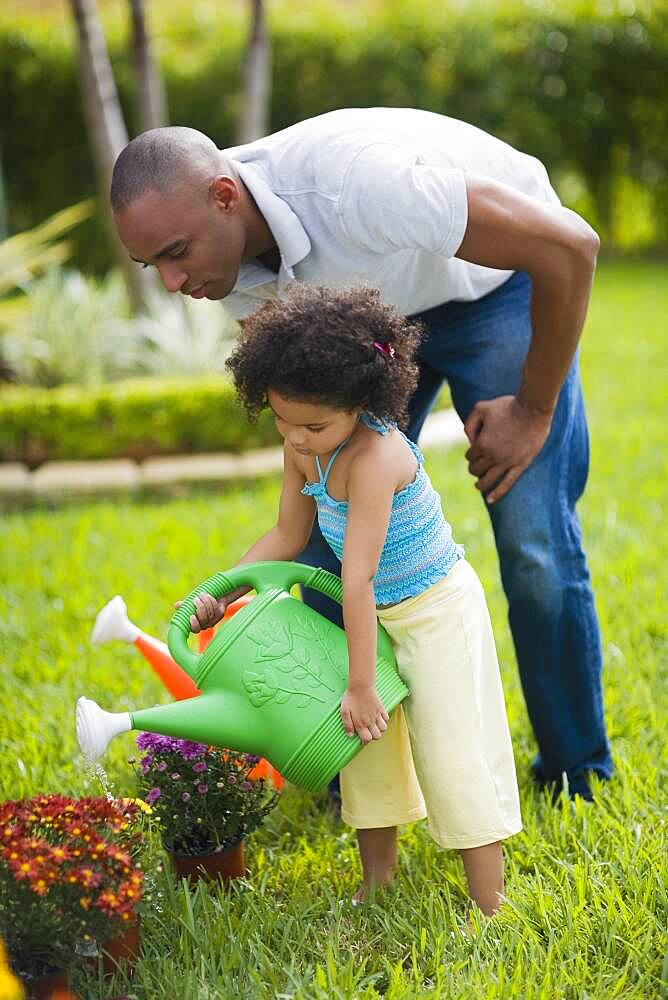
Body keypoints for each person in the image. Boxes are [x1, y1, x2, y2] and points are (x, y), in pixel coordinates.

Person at [110, 107, 611, 800]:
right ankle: (353, 765)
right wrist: (230, 587)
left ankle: (575, 770)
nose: (170, 283)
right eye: (149, 263)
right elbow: (306, 501)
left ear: (225, 197)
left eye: (174, 253)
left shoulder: (356, 182)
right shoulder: (222, 260)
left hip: (492, 287)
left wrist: (533, 409)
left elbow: (570, 246)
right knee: (332, 536)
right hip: (372, 331)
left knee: (533, 540)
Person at [179, 284, 522, 914]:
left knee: (452, 748)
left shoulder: (374, 457)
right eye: (282, 420)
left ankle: (489, 902)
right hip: (371, 610)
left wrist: (360, 685)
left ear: (362, 403)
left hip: (433, 609)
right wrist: (220, 591)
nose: (298, 437)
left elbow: (357, 576)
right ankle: (378, 879)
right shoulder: (302, 448)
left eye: (313, 425)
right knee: (364, 753)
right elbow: (288, 534)